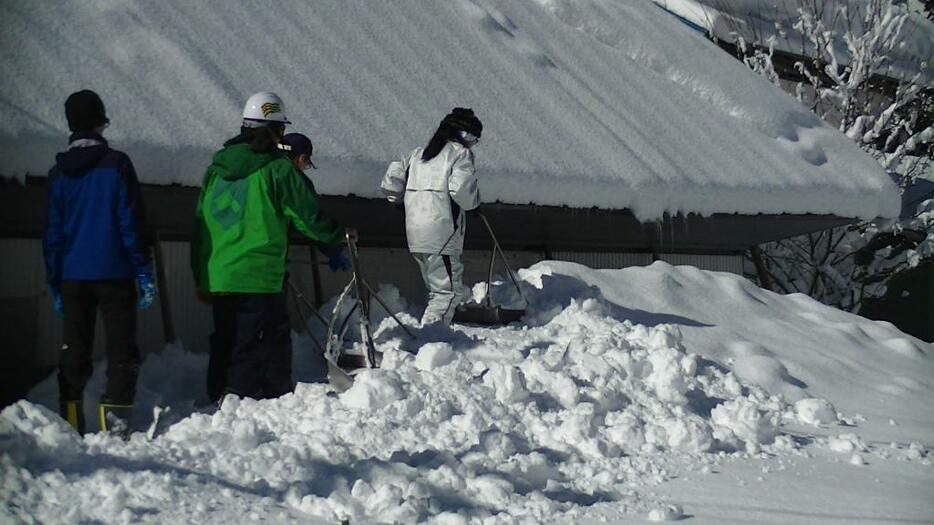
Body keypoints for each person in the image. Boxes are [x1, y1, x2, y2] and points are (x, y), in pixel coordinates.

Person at [191, 93, 351, 402]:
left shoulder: (215, 171)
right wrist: (340, 237)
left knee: (226, 337)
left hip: (219, 274)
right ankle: (253, 400)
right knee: (262, 340)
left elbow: (199, 227)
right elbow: (308, 217)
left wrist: (201, 275)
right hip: (258, 275)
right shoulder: (278, 170)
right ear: (276, 131)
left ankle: (219, 398)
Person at [44, 89, 156, 437]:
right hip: (115, 274)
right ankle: (115, 428)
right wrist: (143, 269)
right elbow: (130, 221)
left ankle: (70, 424)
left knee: (74, 351)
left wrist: (55, 282)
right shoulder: (116, 164)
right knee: (121, 351)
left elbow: (53, 234)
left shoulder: (58, 174)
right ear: (99, 124)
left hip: (73, 278)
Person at [380, 107, 482, 326]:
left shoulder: (418, 154)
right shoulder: (459, 154)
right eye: (474, 138)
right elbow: (461, 189)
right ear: (463, 134)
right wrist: (474, 205)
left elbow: (391, 182)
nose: (474, 144)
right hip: (442, 233)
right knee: (448, 293)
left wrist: (400, 202)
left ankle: (431, 338)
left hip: (415, 233)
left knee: (436, 292)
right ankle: (431, 339)